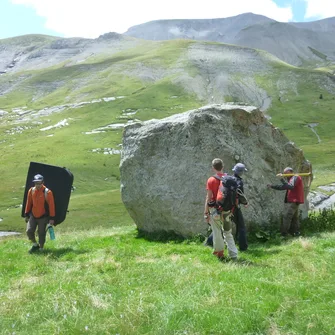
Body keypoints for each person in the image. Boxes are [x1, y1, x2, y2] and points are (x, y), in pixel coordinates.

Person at [204, 158, 238, 260]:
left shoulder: (211, 180)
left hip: (215, 210)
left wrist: (206, 212)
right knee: (228, 232)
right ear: (223, 166)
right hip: (227, 210)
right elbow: (235, 197)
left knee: (217, 232)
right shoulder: (229, 179)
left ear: (213, 168)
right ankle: (234, 254)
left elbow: (208, 197)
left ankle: (219, 253)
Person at [267, 167, 304, 237]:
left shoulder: (295, 177)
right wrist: (272, 186)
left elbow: (290, 187)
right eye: (284, 173)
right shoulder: (291, 179)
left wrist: (281, 179)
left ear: (290, 172)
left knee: (287, 216)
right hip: (294, 201)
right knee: (294, 218)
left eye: (285, 173)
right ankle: (295, 232)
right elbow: (283, 187)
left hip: (293, 201)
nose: (284, 174)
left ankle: (284, 234)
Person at [24, 174, 55, 253]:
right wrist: (26, 214)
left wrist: (52, 218)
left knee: (41, 233)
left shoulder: (48, 192)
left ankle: (41, 248)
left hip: (43, 217)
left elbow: (51, 206)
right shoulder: (31, 190)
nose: (38, 185)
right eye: (36, 183)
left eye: (39, 183)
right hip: (33, 216)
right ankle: (35, 245)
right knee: (29, 231)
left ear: (43, 182)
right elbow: (29, 203)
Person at [231, 163, 249, 251]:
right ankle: (243, 247)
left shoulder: (229, 179)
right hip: (235, 207)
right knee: (241, 226)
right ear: (241, 172)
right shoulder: (239, 182)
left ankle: (210, 242)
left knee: (221, 225)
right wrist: (245, 203)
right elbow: (240, 195)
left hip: (226, 206)